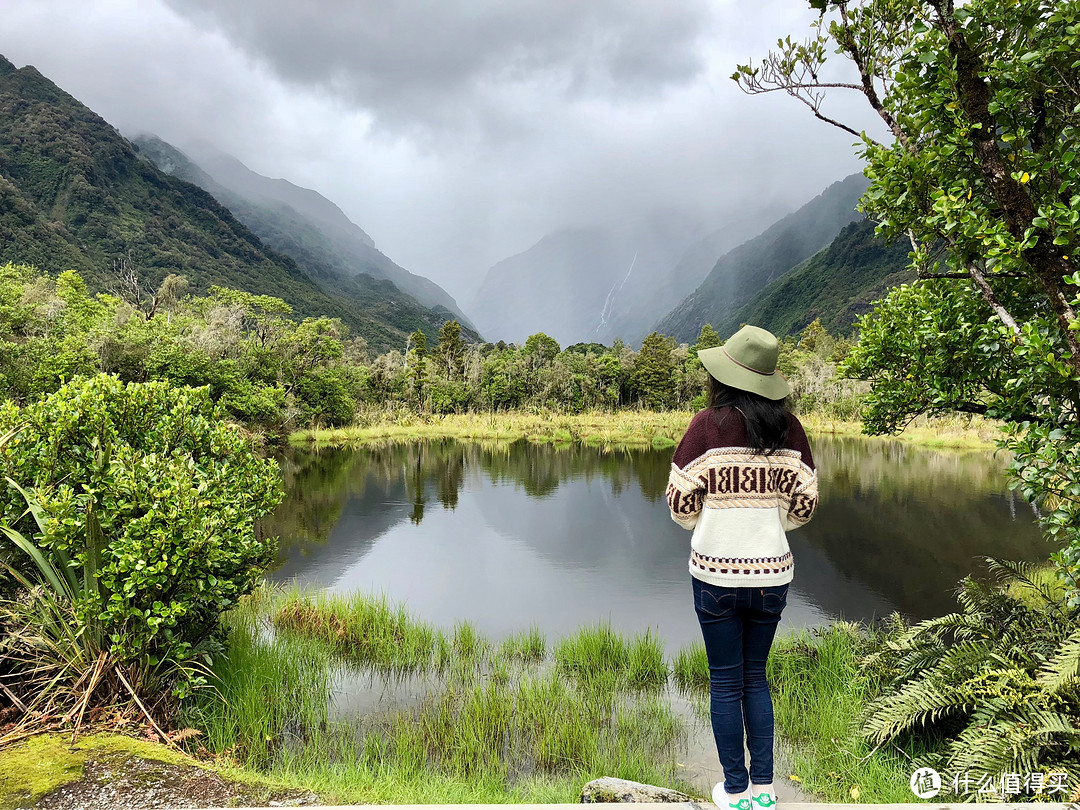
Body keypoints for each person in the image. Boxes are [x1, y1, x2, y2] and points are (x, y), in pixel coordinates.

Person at [666, 325, 818, 810]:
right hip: (772, 576)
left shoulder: (705, 426)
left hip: (714, 576)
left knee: (725, 682)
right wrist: (771, 525)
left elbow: (679, 503)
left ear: (724, 375)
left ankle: (734, 791)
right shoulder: (791, 431)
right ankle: (766, 789)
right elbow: (806, 504)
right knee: (756, 677)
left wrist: (711, 521)